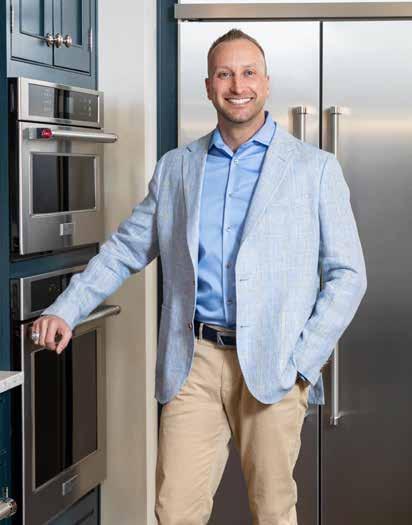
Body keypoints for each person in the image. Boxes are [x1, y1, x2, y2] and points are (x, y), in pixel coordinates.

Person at [32, 29, 367, 525]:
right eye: (224, 74)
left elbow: (348, 274)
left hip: (275, 363)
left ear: (266, 83)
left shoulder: (314, 169)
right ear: (209, 87)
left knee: (273, 511)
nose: (238, 85)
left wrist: (303, 362)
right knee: (174, 512)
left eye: (248, 73)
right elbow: (125, 250)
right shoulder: (177, 169)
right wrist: (66, 308)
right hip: (194, 362)